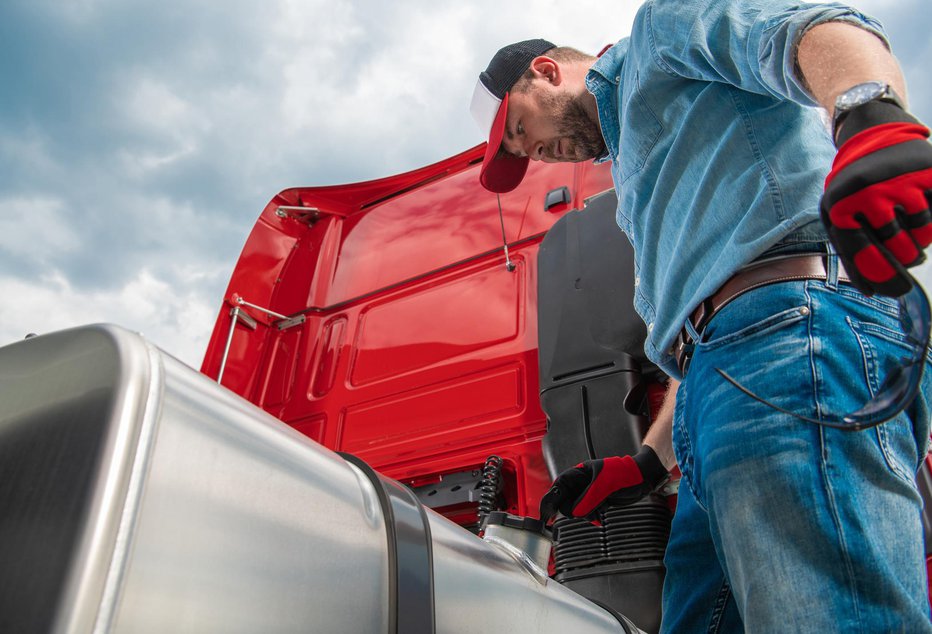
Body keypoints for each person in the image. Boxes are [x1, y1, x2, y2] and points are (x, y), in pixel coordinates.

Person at [470, 1, 932, 632]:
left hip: (795, 334)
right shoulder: (634, 168)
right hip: (724, 380)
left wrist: (870, 118)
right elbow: (705, 318)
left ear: (546, 72)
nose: (539, 155)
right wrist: (650, 461)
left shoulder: (657, 35)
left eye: (522, 131)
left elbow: (813, 29)